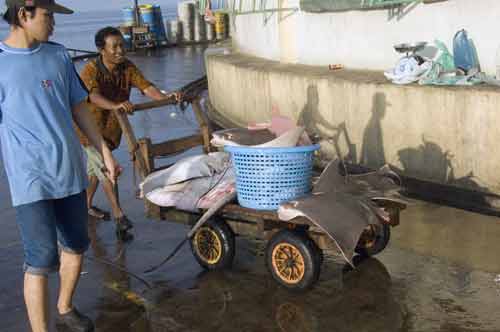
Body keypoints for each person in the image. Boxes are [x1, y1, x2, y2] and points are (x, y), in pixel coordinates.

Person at [0, 1, 121, 331]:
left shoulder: (57, 56)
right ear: (23, 14)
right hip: (30, 178)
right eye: (48, 15)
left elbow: (79, 108)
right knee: (40, 260)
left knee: (76, 244)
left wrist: (104, 153)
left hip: (69, 170)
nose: (53, 23)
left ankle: (65, 307)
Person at [76, 26, 180, 236]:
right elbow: (93, 96)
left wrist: (167, 99)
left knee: (95, 171)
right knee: (107, 170)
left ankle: (84, 206)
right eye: (114, 47)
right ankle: (119, 216)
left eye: (122, 45)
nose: (120, 50)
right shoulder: (90, 70)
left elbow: (146, 87)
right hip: (88, 130)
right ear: (101, 50)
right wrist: (116, 105)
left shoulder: (127, 67)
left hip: (112, 130)